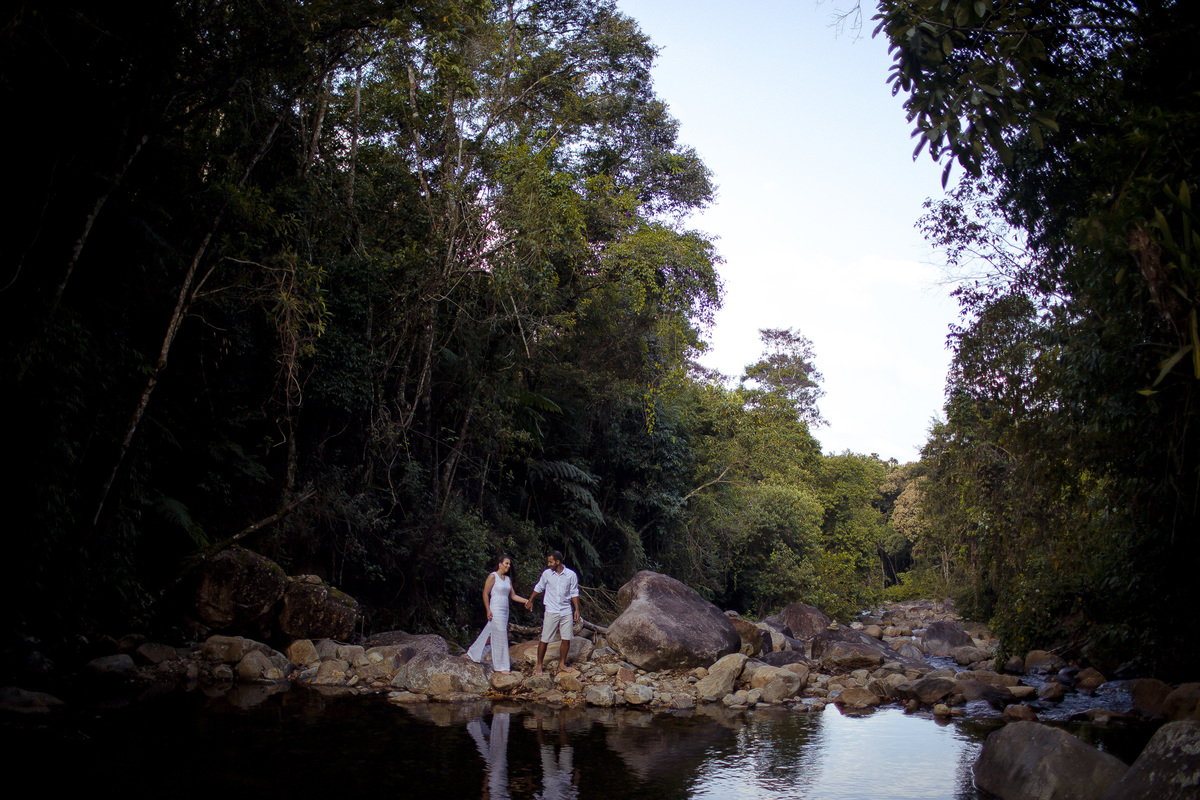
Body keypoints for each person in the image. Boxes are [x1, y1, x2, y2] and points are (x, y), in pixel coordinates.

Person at [467, 555, 528, 673]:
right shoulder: (492, 576)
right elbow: (485, 593)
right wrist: (488, 610)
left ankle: (474, 651)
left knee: (493, 634)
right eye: (506, 563)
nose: (508, 566)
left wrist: (526, 601)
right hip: (495, 608)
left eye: (509, 564)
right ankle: (501, 666)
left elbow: (513, 596)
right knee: (501, 635)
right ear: (499, 564)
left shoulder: (507, 579)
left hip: (505, 610)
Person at [525, 550, 580, 675]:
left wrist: (576, 609)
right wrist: (530, 600)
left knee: (566, 638)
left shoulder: (571, 575)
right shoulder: (547, 574)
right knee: (545, 638)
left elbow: (574, 593)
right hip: (551, 609)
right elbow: (539, 587)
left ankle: (561, 664)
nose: (549, 564)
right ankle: (539, 665)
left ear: (558, 562)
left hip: (566, 610)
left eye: (550, 562)